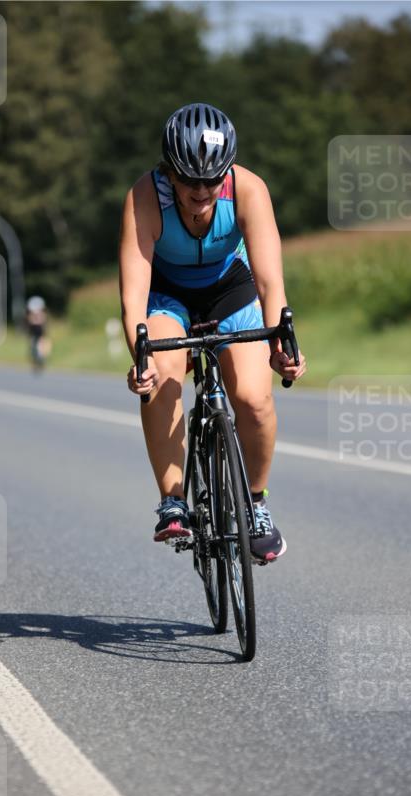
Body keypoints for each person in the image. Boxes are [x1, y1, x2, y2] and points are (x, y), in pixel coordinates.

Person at [118, 103, 306, 562]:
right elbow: (133, 295)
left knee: (254, 399)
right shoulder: (145, 197)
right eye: (189, 180)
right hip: (167, 295)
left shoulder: (248, 190)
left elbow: (269, 282)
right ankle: (173, 499)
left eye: (212, 180)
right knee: (162, 375)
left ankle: (256, 505)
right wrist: (140, 360)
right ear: (170, 172)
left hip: (231, 289)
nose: (202, 191)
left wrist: (282, 342)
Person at [26, 296, 50, 371]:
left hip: (41, 334)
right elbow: (29, 323)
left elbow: (44, 323)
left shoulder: (42, 314)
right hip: (33, 334)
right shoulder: (31, 315)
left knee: (41, 349)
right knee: (33, 348)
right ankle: (35, 362)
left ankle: (41, 361)